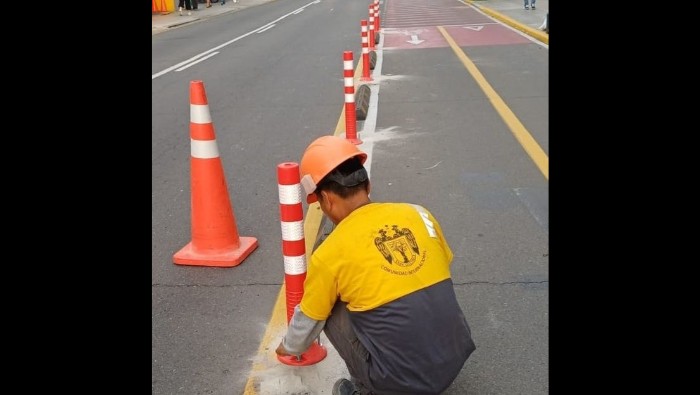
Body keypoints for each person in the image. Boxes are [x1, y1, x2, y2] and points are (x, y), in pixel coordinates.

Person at [275, 135, 476, 395]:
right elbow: (441, 265)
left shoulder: (330, 252)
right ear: (367, 185)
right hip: (454, 359)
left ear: (326, 199)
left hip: (400, 382)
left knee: (328, 304)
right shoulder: (419, 213)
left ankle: (366, 387)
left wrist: (287, 347)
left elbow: (309, 320)